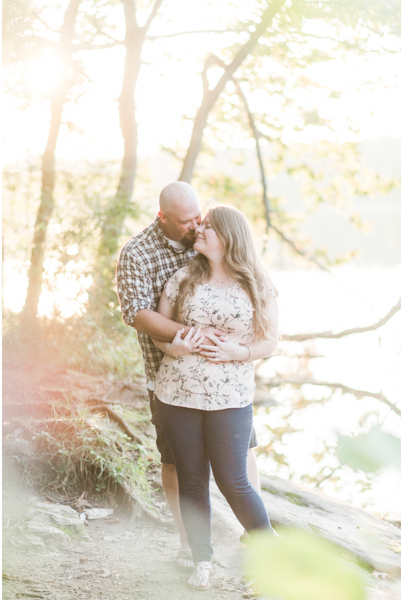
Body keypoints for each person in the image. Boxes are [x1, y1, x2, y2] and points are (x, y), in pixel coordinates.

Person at [115, 182, 262, 569]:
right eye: (186, 221)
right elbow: (136, 313)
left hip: (229, 384)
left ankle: (255, 539)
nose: (196, 226)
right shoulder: (139, 252)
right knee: (178, 462)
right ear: (162, 217)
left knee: (242, 456)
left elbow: (255, 302)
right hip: (169, 374)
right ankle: (190, 544)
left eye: (200, 217)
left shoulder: (215, 241)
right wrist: (187, 337)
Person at [152, 205, 278, 590]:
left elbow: (269, 340)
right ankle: (201, 560)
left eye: (207, 227)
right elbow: (159, 331)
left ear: (228, 236)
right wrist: (170, 348)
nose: (199, 231)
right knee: (191, 480)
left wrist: (237, 353)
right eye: (199, 225)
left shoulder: (257, 281)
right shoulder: (183, 278)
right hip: (178, 392)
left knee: (234, 479)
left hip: (231, 397)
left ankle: (271, 551)